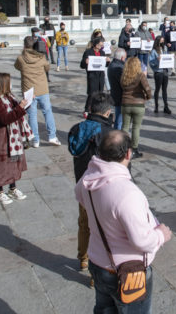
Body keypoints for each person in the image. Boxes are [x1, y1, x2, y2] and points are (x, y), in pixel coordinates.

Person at [75, 130, 172, 312]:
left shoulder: (88, 177)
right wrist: (161, 235)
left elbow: (79, 195)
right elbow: (141, 241)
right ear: (128, 154)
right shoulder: (127, 193)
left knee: (104, 309)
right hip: (126, 271)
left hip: (98, 263)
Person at [67, 92, 114, 275]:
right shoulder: (109, 134)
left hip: (83, 184)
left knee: (84, 223)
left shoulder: (77, 129)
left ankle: (83, 259)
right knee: (101, 230)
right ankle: (97, 271)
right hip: (104, 189)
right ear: (108, 112)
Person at [0, 73, 31, 204]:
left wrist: (26, 102)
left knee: (13, 162)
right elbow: (5, 118)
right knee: (2, 164)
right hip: (2, 136)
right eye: (9, 82)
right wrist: (21, 107)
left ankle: (12, 188)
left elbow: (17, 111)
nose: (11, 84)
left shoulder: (9, 97)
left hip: (13, 136)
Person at [15, 36, 59, 147]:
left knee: (32, 115)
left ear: (24, 45)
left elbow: (17, 67)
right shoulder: (41, 57)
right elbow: (47, 68)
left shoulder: (21, 58)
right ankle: (52, 136)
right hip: (42, 88)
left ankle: (35, 140)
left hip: (29, 90)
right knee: (47, 112)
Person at [120, 57, 151, 158]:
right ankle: (134, 149)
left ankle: (123, 148)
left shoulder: (124, 76)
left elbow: (121, 87)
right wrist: (147, 97)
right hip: (138, 104)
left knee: (125, 126)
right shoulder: (140, 75)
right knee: (136, 127)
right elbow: (147, 88)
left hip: (125, 103)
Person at [81, 37, 110, 114]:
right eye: (101, 44)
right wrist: (85, 62)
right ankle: (87, 110)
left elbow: (105, 65)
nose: (102, 46)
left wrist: (108, 61)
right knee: (92, 94)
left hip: (100, 76)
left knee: (100, 94)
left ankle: (97, 110)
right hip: (92, 76)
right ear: (96, 44)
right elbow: (82, 65)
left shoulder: (102, 53)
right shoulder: (88, 52)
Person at [148, 35, 172, 114]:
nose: (162, 42)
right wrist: (156, 60)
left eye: (163, 41)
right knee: (157, 89)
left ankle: (166, 106)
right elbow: (151, 63)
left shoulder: (165, 48)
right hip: (158, 72)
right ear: (158, 41)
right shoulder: (154, 51)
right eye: (161, 41)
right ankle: (156, 106)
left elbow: (167, 57)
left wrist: (171, 58)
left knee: (164, 90)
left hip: (165, 71)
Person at [107, 49, 126, 130]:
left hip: (115, 94)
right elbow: (123, 82)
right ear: (122, 58)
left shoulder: (112, 64)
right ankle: (117, 136)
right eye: (125, 57)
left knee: (119, 116)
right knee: (119, 119)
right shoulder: (118, 68)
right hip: (120, 95)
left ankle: (116, 133)